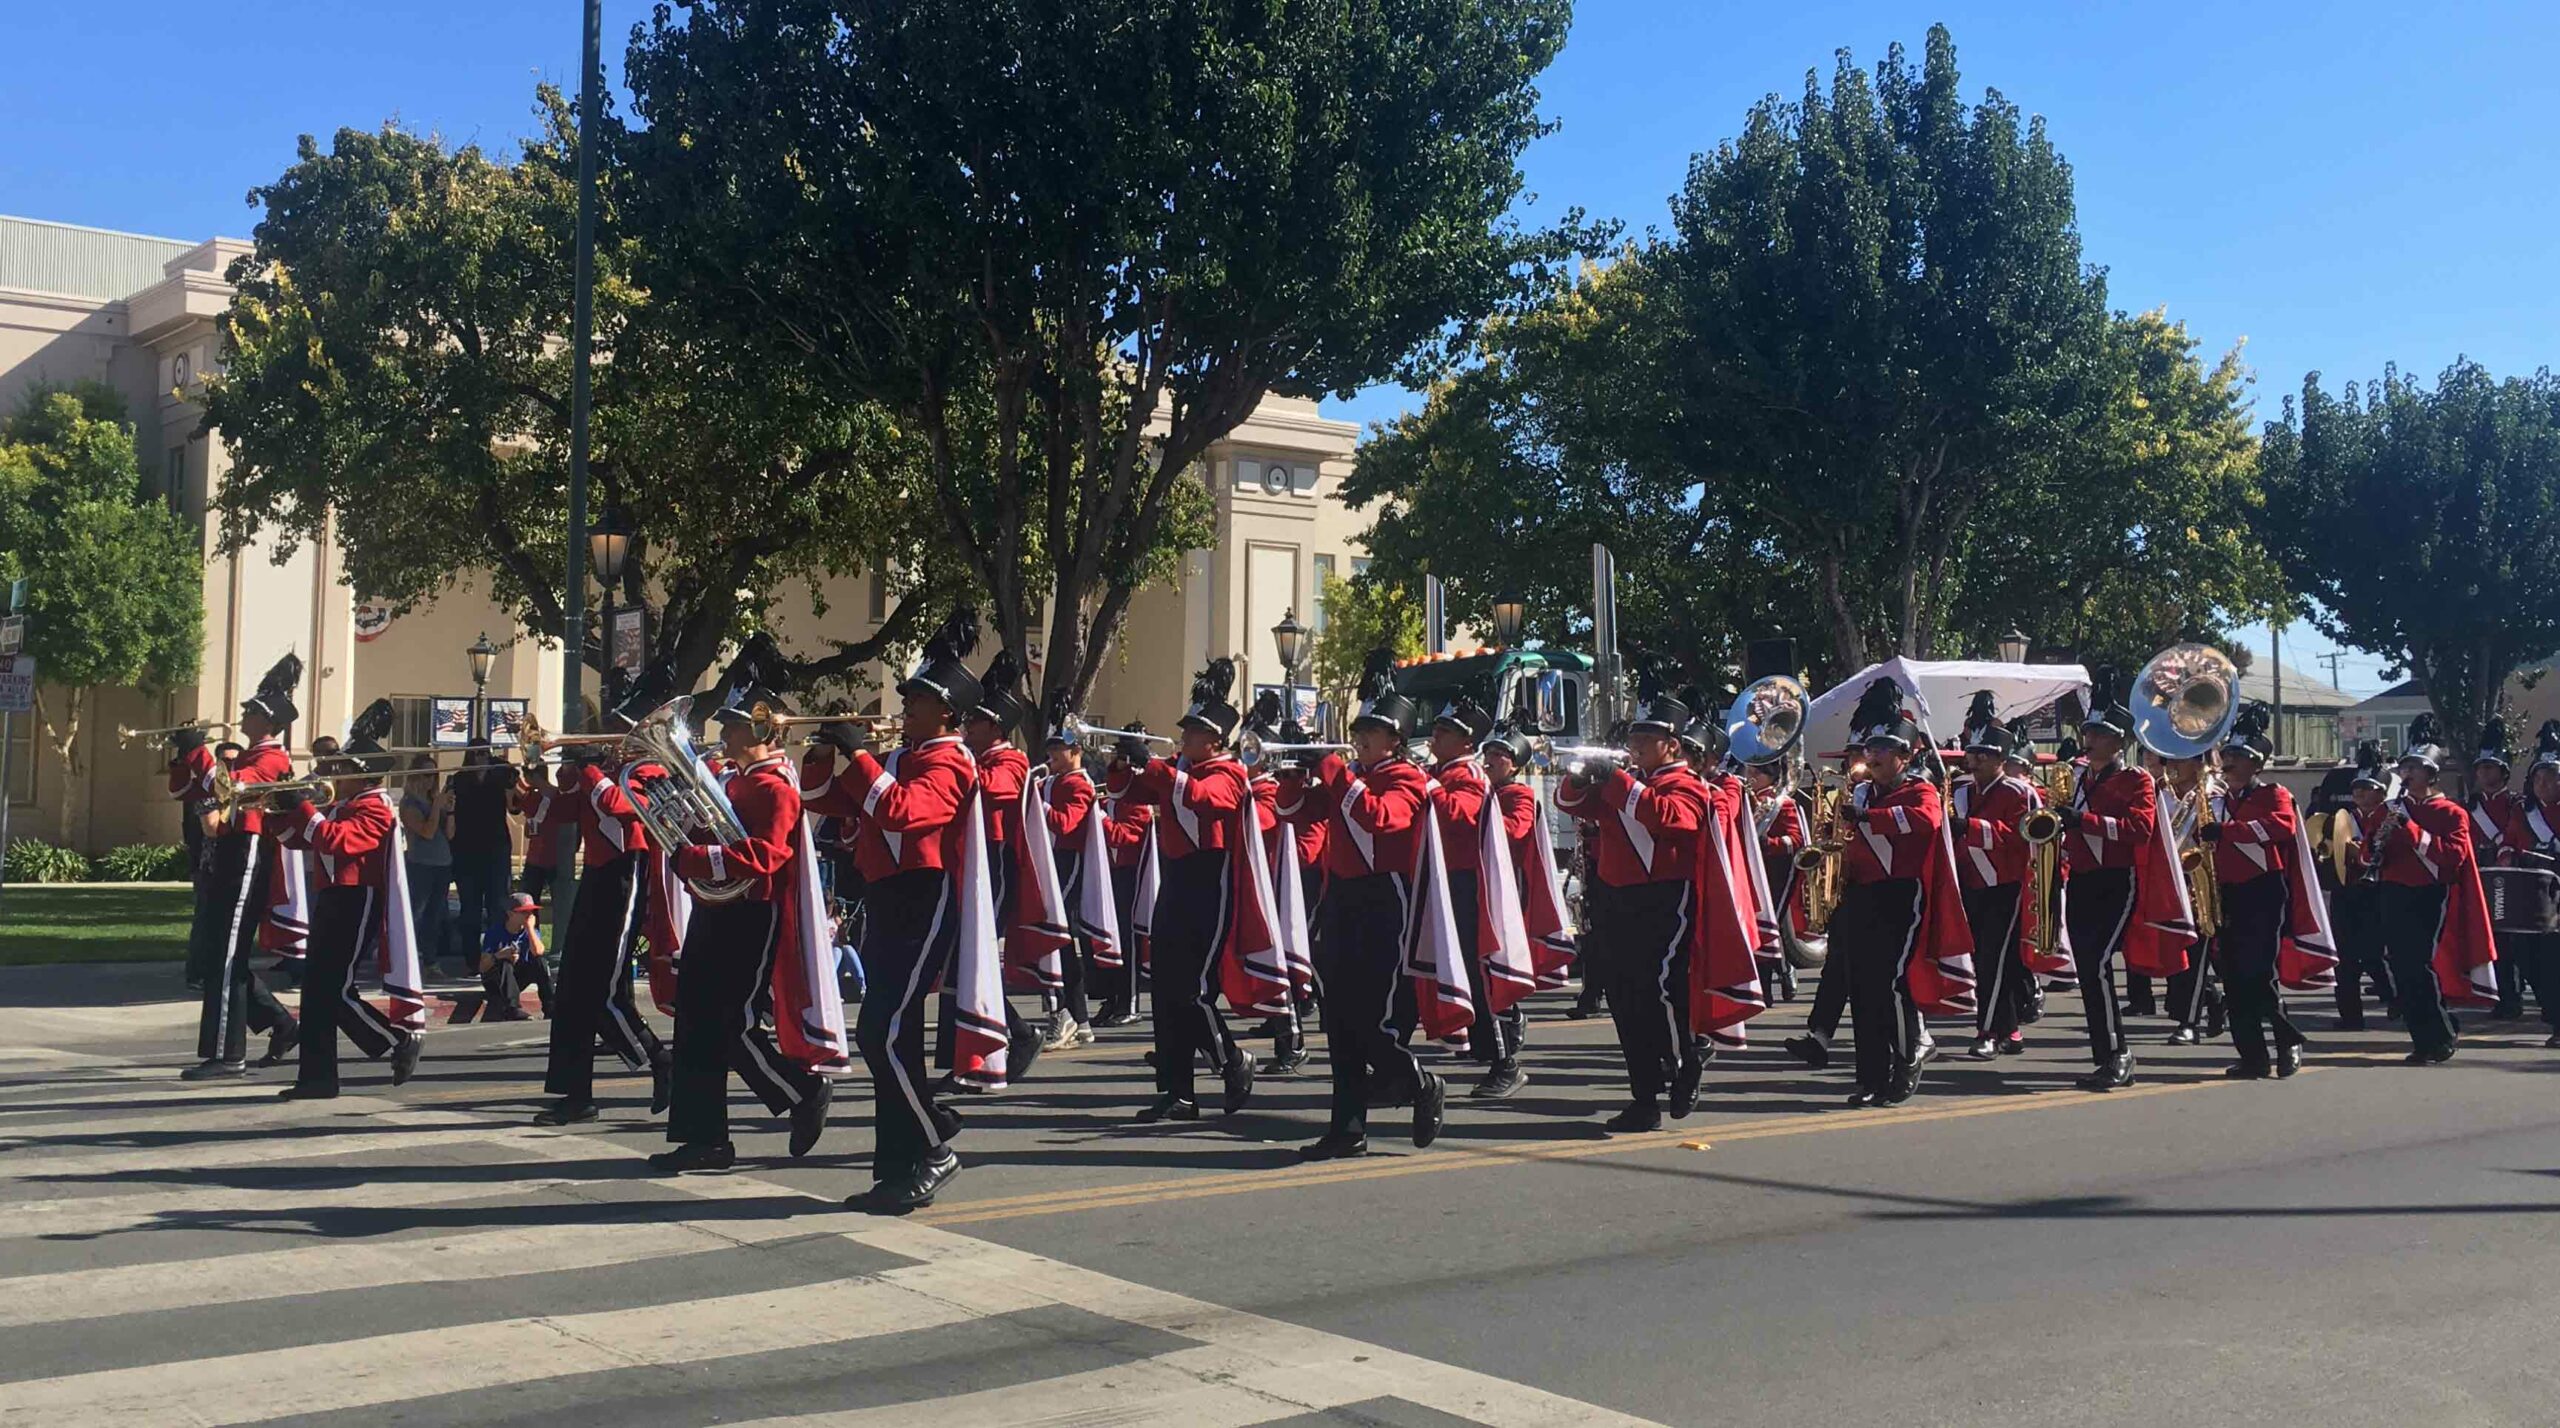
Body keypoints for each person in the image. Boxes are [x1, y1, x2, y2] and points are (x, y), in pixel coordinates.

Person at [821, 614, 986, 1211]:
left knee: (880, 1032)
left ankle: (935, 1144)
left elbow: (900, 813)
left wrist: (862, 756)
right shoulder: (899, 755)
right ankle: (898, 1166)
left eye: (918, 698)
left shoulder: (952, 761)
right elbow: (826, 802)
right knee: (897, 1037)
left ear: (946, 713)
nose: (906, 705)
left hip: (926, 899)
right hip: (887, 900)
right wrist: (826, 755)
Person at [652, 689, 837, 1173]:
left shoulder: (776, 786)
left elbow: (768, 855)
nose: (723, 734)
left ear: (757, 732)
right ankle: (703, 1139)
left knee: (734, 1025)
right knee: (693, 1023)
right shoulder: (732, 780)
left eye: (732, 726)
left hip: (753, 911)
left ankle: (804, 1091)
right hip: (717, 907)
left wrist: (699, 858)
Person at [1280, 651, 1444, 1158]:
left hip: (1384, 902)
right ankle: (1347, 1128)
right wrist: (1294, 770)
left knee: (1370, 1018)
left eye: (1371, 731)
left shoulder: (1407, 779)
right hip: (1341, 900)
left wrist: (1333, 772)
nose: (1360, 738)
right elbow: (1291, 812)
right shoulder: (1348, 776)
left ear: (1394, 739)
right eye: (1359, 730)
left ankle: (1417, 1081)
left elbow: (1378, 819)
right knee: (1339, 1022)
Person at [1555, 680, 1708, 1132]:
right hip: (1616, 900)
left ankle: (1686, 1059)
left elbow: (1670, 819)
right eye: (1633, 738)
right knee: (1623, 998)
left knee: (1658, 987)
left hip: (1665, 897)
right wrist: (1583, 775)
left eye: (1646, 739)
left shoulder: (1689, 784)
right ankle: (1644, 1095)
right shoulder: (1629, 783)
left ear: (1671, 744)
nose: (1635, 746)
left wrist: (1617, 779)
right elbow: (1569, 803)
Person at [1121, 658, 1264, 1125]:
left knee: (1193, 988)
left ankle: (1231, 1060)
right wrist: (1128, 761)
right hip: (1176, 877)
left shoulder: (1229, 772)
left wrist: (1165, 772)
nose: (1182, 739)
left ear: (1214, 740)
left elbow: (1207, 802)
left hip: (1211, 877)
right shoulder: (1181, 768)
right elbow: (1134, 794)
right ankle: (1178, 1090)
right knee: (1165, 988)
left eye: (1192, 733)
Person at [271, 710, 424, 1099]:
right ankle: (317, 1078)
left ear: (360, 772)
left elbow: (336, 841)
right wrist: (278, 809)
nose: (332, 772)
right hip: (333, 896)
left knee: (335, 989)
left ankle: (395, 1041)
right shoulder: (345, 803)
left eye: (340, 767)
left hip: (358, 899)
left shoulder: (376, 807)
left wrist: (302, 808)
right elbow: (299, 839)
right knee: (316, 991)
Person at [1829, 684, 1970, 1106]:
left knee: (1890, 983)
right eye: (1870, 748)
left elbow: (1925, 822)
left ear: (1904, 757)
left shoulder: (1920, 791)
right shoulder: (1860, 791)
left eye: (1883, 750)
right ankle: (1869, 1076)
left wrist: (1868, 817)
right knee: (1862, 987)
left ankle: (1907, 1058)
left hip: (1902, 895)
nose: (1871, 756)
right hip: (1861, 895)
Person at [533, 738, 670, 1127]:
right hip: (595, 876)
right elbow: (564, 810)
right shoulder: (603, 774)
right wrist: (535, 784)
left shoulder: (650, 772)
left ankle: (661, 1061)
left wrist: (591, 768)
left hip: (625, 875)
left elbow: (619, 806)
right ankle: (576, 1096)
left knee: (604, 993)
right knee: (572, 992)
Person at [185, 654, 303, 1080]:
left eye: (250, 711)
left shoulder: (270, 758)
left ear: (265, 719)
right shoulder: (252, 754)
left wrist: (199, 753)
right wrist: (187, 756)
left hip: (249, 855)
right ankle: (282, 1024)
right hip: (229, 854)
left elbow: (229, 786)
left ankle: (228, 1054)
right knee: (217, 955)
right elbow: (197, 790)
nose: (242, 715)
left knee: (227, 955)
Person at [2052, 676, 2169, 1091]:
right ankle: (2107, 1055)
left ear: (2117, 743)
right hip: (2082, 879)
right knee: (2088, 969)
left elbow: (2140, 829)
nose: (2089, 738)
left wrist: (2082, 820)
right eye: (2088, 731)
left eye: (2098, 733)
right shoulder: (2081, 779)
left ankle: (2119, 1054)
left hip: (2118, 880)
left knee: (2099, 964)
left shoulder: (2137, 779)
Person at [2371, 717, 2499, 1064]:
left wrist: (2410, 829)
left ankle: (2439, 1036)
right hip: (2392, 891)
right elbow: (2372, 848)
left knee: (2418, 965)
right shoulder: (2392, 808)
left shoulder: (2452, 813)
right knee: (2401, 966)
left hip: (2427, 894)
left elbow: (2452, 857)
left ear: (2430, 775)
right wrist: (2364, 849)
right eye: (2405, 767)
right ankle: (2425, 1036)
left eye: (2414, 767)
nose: (2407, 773)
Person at [946, 650, 1047, 1087]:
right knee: (959, 963)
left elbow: (992, 791)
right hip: (969, 862)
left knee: (975, 958)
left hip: (995, 866)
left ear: (996, 728)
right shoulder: (976, 756)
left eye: (975, 724)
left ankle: (1016, 1036)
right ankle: (979, 1051)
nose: (967, 729)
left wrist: (955, 755)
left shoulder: (1010, 760)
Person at [2200, 705, 2311, 1078]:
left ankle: (2286, 1041)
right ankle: (2253, 1055)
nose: (2227, 762)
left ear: (2255, 765)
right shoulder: (2216, 800)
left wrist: (2228, 832)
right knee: (2233, 978)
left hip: (2263, 891)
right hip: (2227, 892)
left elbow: (2282, 827)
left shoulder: (2273, 793)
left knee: (2259, 973)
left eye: (2236, 757)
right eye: (2227, 755)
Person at [1951, 709, 2034, 1060]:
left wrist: (1969, 828)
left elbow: (2021, 836)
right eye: (1973, 752)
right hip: (1971, 884)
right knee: (1993, 961)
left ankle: (1985, 1031)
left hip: (2007, 885)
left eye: (1982, 754)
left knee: (1992, 961)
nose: (1975, 759)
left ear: (2000, 758)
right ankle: (2011, 1030)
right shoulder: (1961, 792)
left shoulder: (2018, 792)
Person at [1037, 713, 1101, 1047]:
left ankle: (1063, 1012)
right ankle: (1078, 1018)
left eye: (1057, 748)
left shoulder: (1078, 784)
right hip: (1051, 861)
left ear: (1074, 750)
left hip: (1068, 862)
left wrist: (1037, 803)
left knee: (1053, 939)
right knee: (1059, 945)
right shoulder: (1051, 781)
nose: (1051, 754)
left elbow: (1065, 824)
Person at [2156, 752, 2228, 1046]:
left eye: (2178, 760)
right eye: (2167, 760)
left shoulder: (2215, 795)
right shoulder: (2162, 793)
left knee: (2197, 954)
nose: (2171, 766)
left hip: (2200, 883)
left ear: (2199, 764)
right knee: (2174, 953)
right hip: (2168, 882)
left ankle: (2189, 1022)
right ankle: (2212, 999)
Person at [2330, 745, 2398, 1028]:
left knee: (2373, 955)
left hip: (2377, 892)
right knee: (2343, 958)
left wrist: (2362, 853)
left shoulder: (2392, 816)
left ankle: (2397, 1000)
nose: (2359, 793)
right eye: (2357, 787)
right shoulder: (2344, 817)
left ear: (2381, 793)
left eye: (2367, 788)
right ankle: (2350, 1016)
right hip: (2346, 890)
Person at [1096, 726, 1156, 1027]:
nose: (1117, 759)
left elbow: (1124, 838)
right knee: (1111, 938)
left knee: (1129, 938)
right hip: (1111, 872)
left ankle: (1129, 1001)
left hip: (1130, 874)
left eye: (1123, 754)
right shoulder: (1117, 793)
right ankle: (1112, 998)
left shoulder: (1138, 801)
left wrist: (1101, 819)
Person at [2467, 720, 2528, 1019]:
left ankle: (2512, 998)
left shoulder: (2519, 803)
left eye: (2489, 768)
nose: (2483, 773)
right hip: (2479, 877)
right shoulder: (2471, 805)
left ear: (2503, 772)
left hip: (2507, 878)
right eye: (2480, 769)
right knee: (2486, 938)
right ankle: (2495, 994)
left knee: (2508, 941)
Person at [2506, 723, 2560, 1049]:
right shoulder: (2522, 811)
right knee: (2527, 958)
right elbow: (2510, 844)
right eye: (2539, 778)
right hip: (2530, 894)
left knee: (2554, 959)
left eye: (2551, 778)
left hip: (2558, 894)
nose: (2544, 784)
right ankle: (2549, 1008)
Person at [447, 742, 519, 967]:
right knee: (470, 908)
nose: (481, 758)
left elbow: (515, 807)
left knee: (498, 905)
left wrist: (509, 776)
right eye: (477, 753)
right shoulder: (459, 779)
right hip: (466, 852)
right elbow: (449, 806)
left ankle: (497, 954)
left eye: (485, 753)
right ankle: (472, 959)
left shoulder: (499, 776)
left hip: (495, 850)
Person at [398, 757, 457, 974]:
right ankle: (407, 957)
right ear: (414, 775)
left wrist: (449, 810)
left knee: (435, 914)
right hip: (421, 863)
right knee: (416, 913)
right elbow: (427, 832)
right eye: (425, 774)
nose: (430, 780)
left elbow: (449, 833)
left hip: (443, 862)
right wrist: (436, 807)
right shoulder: (409, 803)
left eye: (433, 775)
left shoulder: (434, 800)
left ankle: (430, 960)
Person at [464, 893, 545, 1023]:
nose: (529, 915)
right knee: (505, 963)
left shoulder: (530, 932)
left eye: (531, 911)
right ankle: (512, 1008)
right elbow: (482, 967)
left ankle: (550, 1006)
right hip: (495, 981)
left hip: (517, 979)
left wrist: (529, 928)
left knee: (540, 961)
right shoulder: (495, 932)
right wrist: (499, 955)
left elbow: (539, 952)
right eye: (524, 912)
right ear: (511, 914)